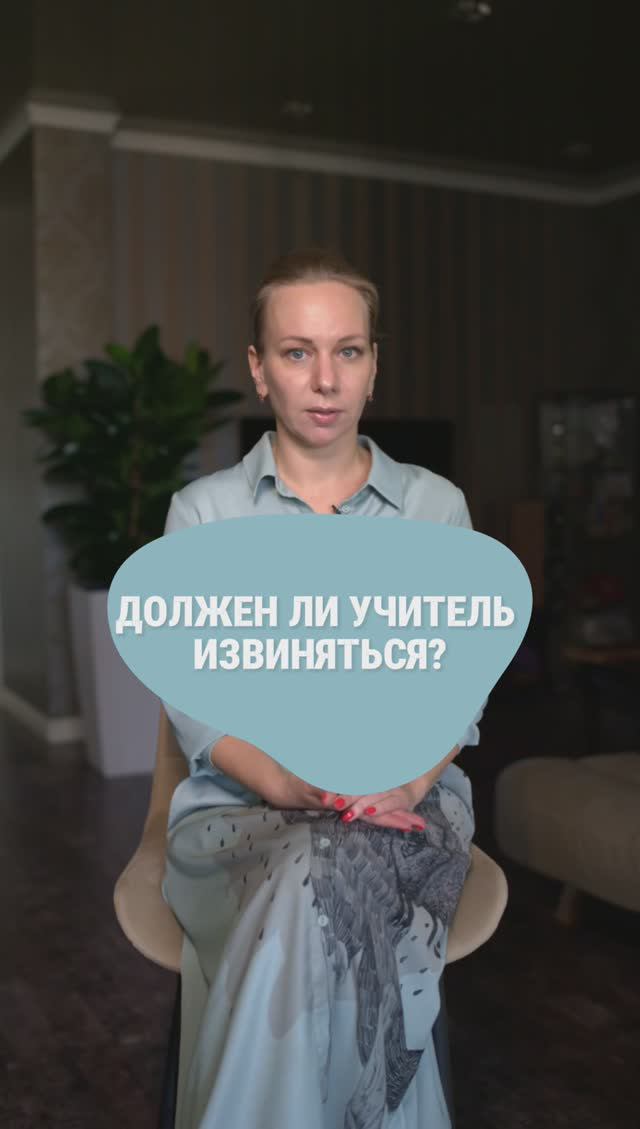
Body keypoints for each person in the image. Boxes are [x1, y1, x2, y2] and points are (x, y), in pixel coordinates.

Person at [161, 247, 484, 1129]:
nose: (326, 378)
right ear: (259, 368)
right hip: (241, 811)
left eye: (348, 350)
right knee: (321, 871)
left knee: (341, 869)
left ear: (375, 365)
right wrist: (282, 780)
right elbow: (194, 698)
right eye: (297, 352)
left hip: (408, 800)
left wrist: (406, 784)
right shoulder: (204, 514)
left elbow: (457, 683)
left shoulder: (436, 509)